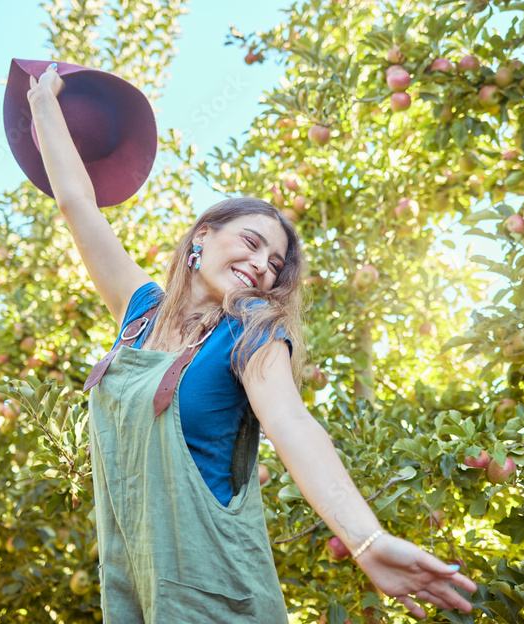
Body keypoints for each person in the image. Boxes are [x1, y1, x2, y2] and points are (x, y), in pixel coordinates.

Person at [27, 62, 477, 622]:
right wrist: (43, 103)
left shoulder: (253, 332)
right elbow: (78, 204)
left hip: (218, 595)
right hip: (136, 593)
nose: (262, 266)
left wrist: (367, 540)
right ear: (203, 236)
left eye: (275, 263)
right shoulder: (138, 312)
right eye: (251, 241)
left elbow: (292, 425)